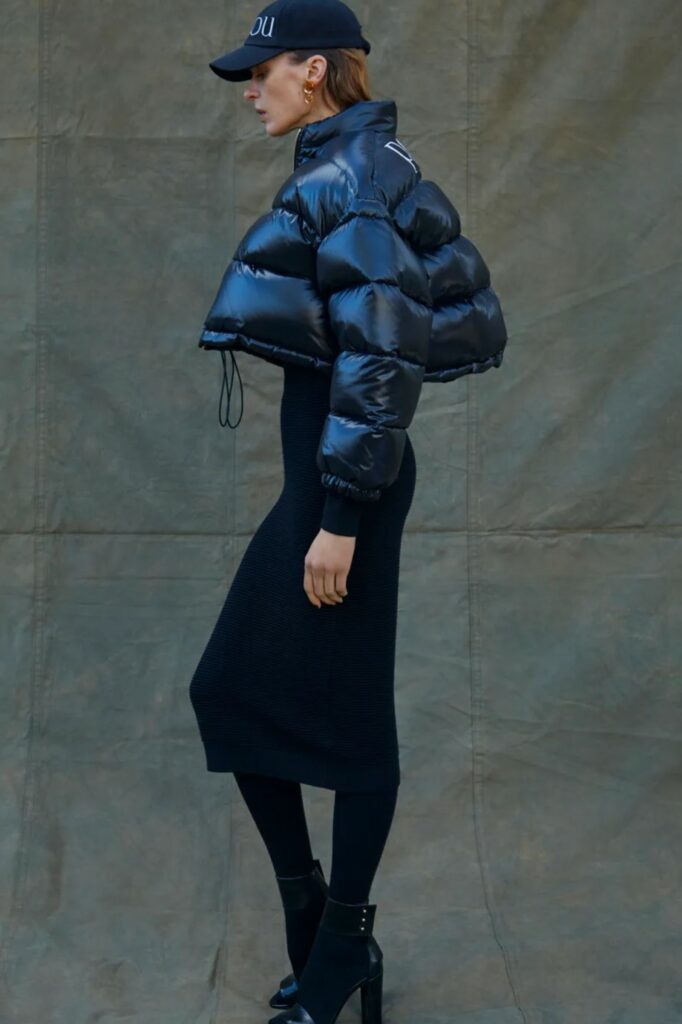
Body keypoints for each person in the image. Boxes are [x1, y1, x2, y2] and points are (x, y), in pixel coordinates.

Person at [188, 1, 508, 1022]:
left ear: (316, 68)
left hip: (346, 484)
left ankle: (338, 946)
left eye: (264, 70)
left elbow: (380, 356)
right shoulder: (346, 165)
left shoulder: (353, 178)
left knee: (354, 722)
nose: (252, 89)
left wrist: (341, 515)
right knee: (231, 692)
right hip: (327, 476)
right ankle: (323, 925)